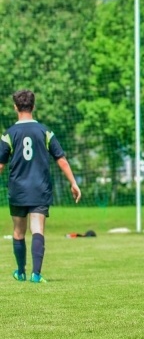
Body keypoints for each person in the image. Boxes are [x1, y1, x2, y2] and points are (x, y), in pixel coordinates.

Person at [0, 90, 81, 283]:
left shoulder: (9, 134)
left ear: (15, 107)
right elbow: (61, 159)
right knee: (37, 229)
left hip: (18, 190)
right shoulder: (45, 132)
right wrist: (73, 182)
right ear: (33, 107)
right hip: (39, 188)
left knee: (19, 232)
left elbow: (1, 165)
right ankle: (36, 274)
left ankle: (20, 272)